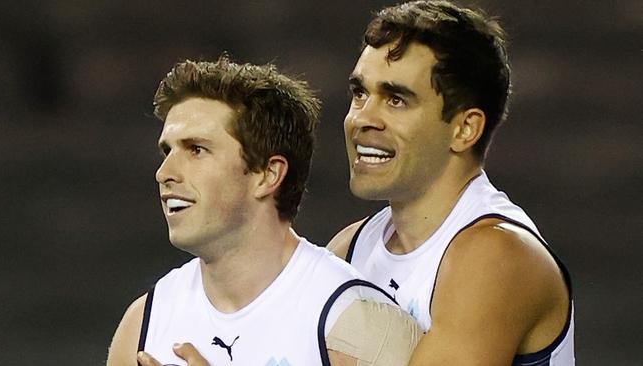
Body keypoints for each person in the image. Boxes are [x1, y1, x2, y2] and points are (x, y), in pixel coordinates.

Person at [106, 56, 421, 366]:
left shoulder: (353, 322)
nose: (165, 172)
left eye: (196, 150)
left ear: (267, 175)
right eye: (167, 150)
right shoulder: (144, 325)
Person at [327, 1, 575, 365]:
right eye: (360, 93)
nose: (362, 118)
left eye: (396, 99)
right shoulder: (349, 247)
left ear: (464, 129)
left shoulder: (497, 255)